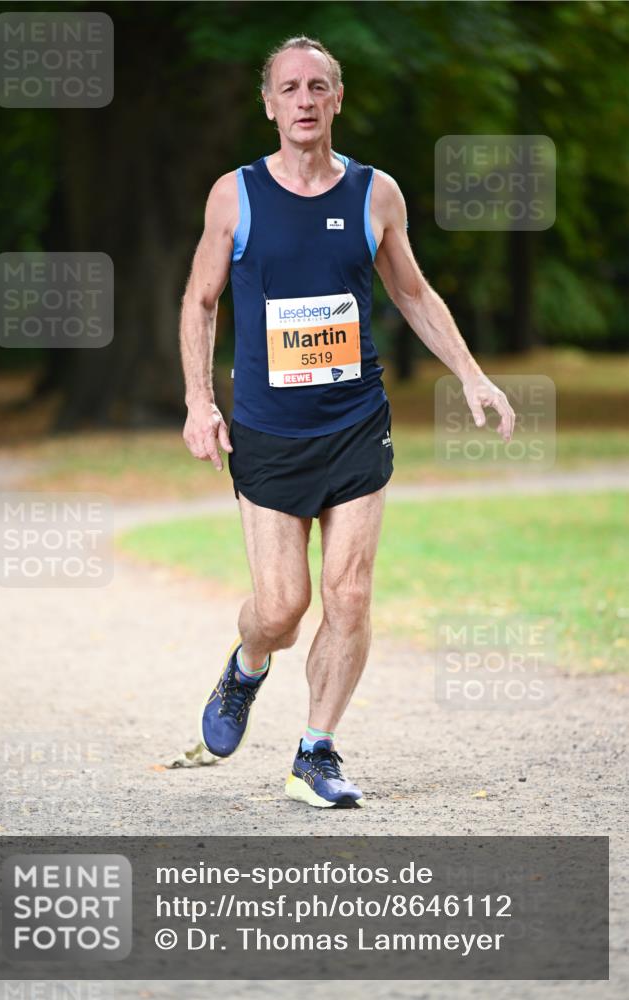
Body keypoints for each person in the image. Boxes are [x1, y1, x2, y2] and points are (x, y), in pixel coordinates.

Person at [179, 36, 515, 809]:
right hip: (267, 428)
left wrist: (470, 374)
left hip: (356, 421)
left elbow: (413, 293)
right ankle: (248, 665)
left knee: (351, 594)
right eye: (289, 87)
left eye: (317, 86)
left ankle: (314, 750)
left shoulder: (374, 194)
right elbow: (200, 301)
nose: (303, 99)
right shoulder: (234, 196)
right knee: (280, 608)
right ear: (268, 104)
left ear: (336, 99)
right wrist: (200, 401)